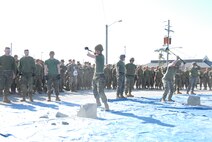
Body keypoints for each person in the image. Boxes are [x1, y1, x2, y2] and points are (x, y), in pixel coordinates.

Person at [87, 44, 109, 111]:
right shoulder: (97, 55)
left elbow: (91, 55)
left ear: (100, 51)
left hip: (100, 76)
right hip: (95, 75)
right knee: (94, 89)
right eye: (95, 50)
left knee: (101, 91)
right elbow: (95, 55)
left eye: (97, 50)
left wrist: (88, 52)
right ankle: (98, 102)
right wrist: (92, 51)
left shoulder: (101, 57)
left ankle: (106, 105)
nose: (96, 51)